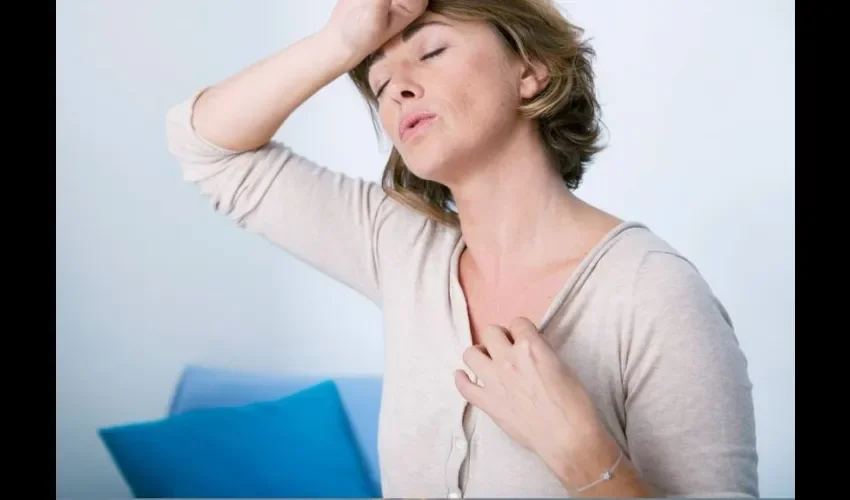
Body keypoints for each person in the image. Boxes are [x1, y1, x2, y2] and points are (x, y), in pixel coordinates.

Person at [165, 0, 759, 497]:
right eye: (377, 82)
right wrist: (340, 41)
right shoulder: (399, 247)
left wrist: (584, 456)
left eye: (431, 51)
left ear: (531, 71)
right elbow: (207, 150)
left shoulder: (654, 294)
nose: (396, 87)